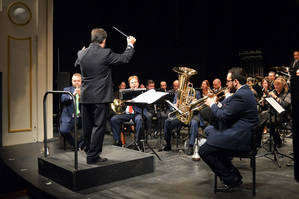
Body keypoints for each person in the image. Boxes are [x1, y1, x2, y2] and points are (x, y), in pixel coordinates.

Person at [75, 28, 136, 164]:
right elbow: (124, 58)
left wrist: (82, 53)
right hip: (100, 97)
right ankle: (93, 156)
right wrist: (130, 44)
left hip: (85, 97)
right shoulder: (105, 53)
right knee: (98, 127)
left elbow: (77, 63)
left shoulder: (81, 53)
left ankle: (88, 149)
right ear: (104, 40)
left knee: (87, 126)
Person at [199, 67, 258, 191]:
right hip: (241, 131)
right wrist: (219, 103)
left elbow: (224, 116)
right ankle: (233, 175)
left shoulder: (241, 95)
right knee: (210, 130)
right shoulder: (244, 92)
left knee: (204, 151)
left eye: (228, 81)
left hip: (241, 137)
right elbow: (228, 110)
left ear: (235, 82)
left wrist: (212, 104)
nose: (226, 84)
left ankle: (231, 179)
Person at [161, 83, 206, 155]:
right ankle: (168, 144)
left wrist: (195, 104)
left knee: (194, 123)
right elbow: (172, 107)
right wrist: (175, 105)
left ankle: (191, 146)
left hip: (192, 116)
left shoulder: (196, 93)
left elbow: (199, 107)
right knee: (167, 122)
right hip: (180, 116)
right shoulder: (178, 93)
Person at [111, 76, 145, 147]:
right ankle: (117, 141)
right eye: (132, 83)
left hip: (137, 113)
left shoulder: (142, 92)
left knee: (139, 119)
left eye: (135, 82)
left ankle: (138, 141)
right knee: (114, 119)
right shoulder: (125, 92)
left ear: (138, 83)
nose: (134, 84)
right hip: (127, 113)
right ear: (129, 84)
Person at [60, 73, 82, 149]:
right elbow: (63, 100)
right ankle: (76, 145)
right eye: (74, 81)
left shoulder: (85, 90)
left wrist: (81, 95)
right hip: (69, 116)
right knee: (63, 131)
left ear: (81, 81)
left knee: (93, 128)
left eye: (78, 81)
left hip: (81, 117)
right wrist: (72, 94)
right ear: (72, 81)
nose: (76, 82)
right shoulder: (67, 89)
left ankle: (81, 144)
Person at [268, 77, 291, 147]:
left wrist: (275, 97)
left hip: (284, 114)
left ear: (282, 85)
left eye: (278, 85)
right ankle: (275, 139)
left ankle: (277, 141)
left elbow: (284, 104)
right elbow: (268, 105)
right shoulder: (273, 91)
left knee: (271, 122)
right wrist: (265, 101)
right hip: (273, 113)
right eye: (275, 85)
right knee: (264, 119)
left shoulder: (288, 93)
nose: (276, 86)